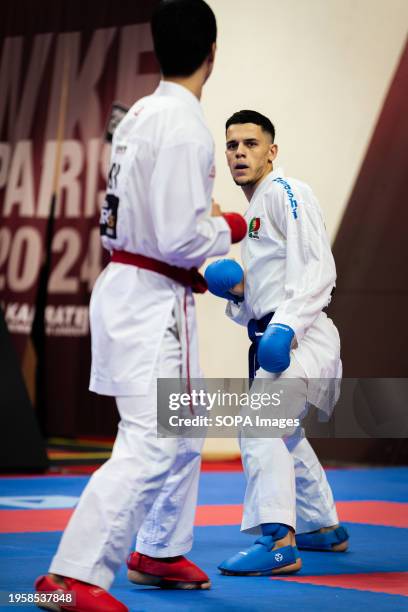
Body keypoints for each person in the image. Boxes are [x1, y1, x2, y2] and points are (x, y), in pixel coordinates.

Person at [35, 2, 246, 609]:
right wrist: (228, 225)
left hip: (141, 285)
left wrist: (191, 266)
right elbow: (182, 233)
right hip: (150, 298)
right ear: (213, 51)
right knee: (154, 438)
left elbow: (151, 223)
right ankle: (70, 578)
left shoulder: (140, 116)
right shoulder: (183, 125)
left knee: (182, 431)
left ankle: (155, 549)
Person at [204, 110, 349, 576]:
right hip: (279, 332)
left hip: (304, 336)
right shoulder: (254, 211)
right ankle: (322, 526)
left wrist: (285, 326)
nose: (240, 152)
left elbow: (317, 269)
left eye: (250, 143)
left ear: (272, 150)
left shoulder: (287, 192)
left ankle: (279, 541)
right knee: (283, 433)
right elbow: (266, 295)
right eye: (232, 145)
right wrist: (239, 293)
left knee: (259, 424)